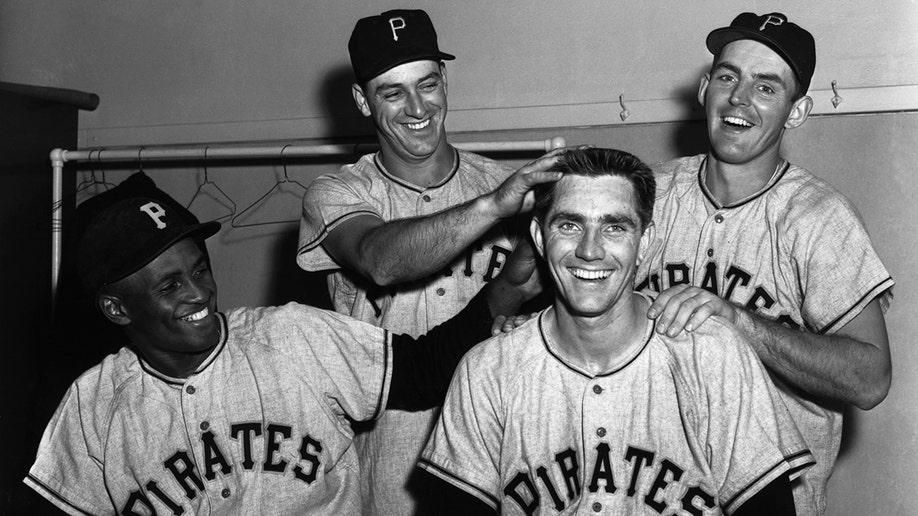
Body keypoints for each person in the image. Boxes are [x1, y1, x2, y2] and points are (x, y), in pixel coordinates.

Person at [24, 193, 539, 516]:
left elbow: (425, 370)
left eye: (200, 269)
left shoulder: (292, 338)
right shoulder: (94, 405)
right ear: (117, 308)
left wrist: (506, 291)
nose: (199, 293)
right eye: (169, 286)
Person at [418, 148, 814, 515]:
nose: (590, 250)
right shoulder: (487, 371)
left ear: (645, 243)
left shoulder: (713, 355)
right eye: (570, 225)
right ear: (539, 238)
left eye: (614, 228)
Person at [296, 8, 562, 513]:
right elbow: (380, 261)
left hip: (503, 449)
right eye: (392, 92)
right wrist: (495, 207)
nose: (416, 107)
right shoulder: (338, 192)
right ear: (361, 101)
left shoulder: (499, 183)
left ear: (446, 83)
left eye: (428, 84)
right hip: (391, 462)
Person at [635, 12, 893, 515]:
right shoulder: (647, 193)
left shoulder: (819, 217)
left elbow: (871, 378)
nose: (739, 99)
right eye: (729, 77)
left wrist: (738, 321)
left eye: (766, 87)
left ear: (796, 112)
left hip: (771, 500)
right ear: (706, 88)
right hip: (648, 490)